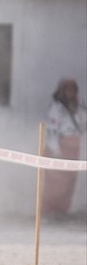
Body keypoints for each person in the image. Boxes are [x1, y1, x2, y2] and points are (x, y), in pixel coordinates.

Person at [42, 78, 86, 218]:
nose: (70, 92)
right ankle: (49, 210)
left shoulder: (79, 107)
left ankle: (62, 210)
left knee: (70, 180)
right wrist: (56, 151)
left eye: (72, 89)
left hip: (74, 147)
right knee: (56, 181)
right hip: (60, 147)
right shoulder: (56, 108)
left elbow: (83, 124)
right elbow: (52, 130)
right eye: (67, 89)